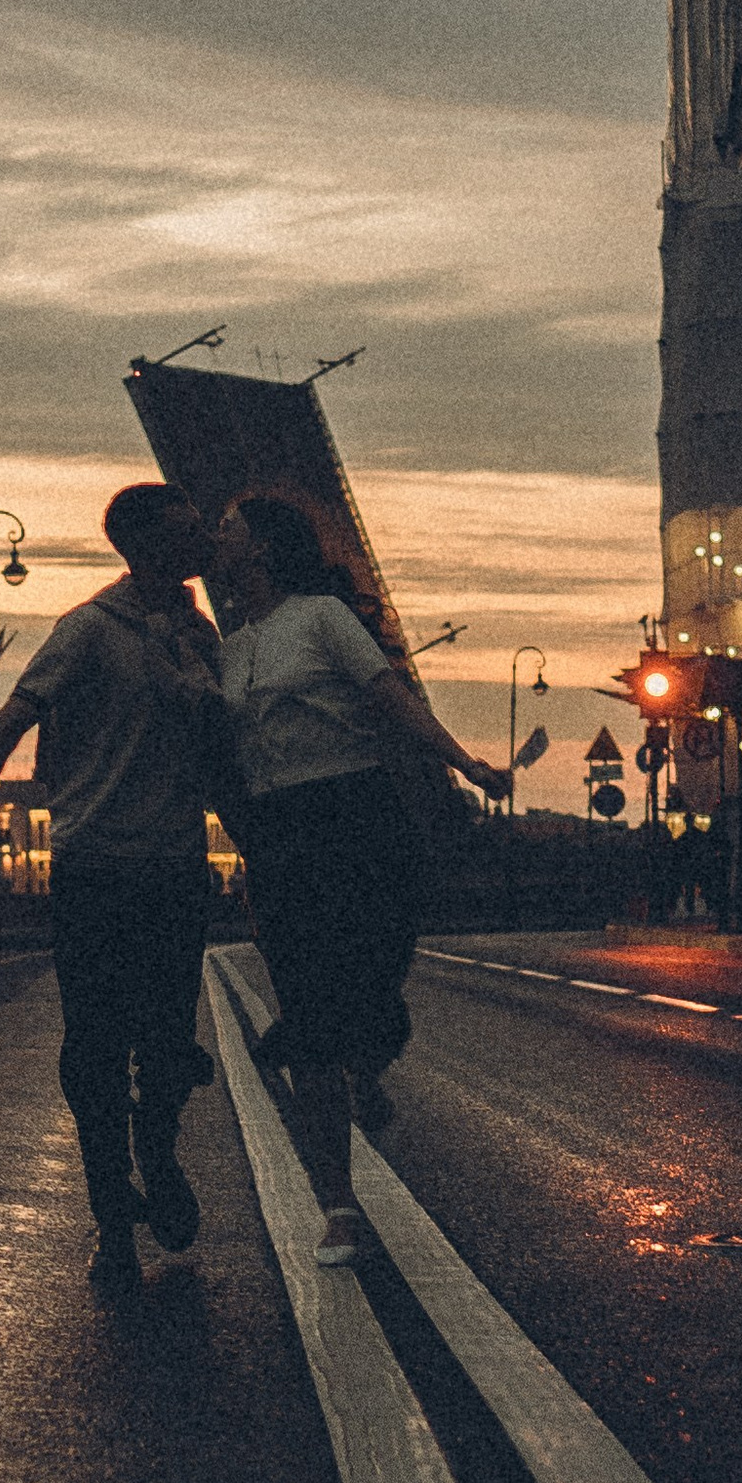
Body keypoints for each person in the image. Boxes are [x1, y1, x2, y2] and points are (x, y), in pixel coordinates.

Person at [0, 485, 225, 1297]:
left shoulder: (202, 637)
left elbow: (224, 749)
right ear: (145, 547)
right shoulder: (89, 630)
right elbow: (12, 718)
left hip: (174, 870)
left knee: (168, 1042)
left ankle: (156, 1155)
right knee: (94, 1047)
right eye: (190, 528)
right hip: (96, 866)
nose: (205, 539)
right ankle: (109, 1220)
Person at [213, 494, 509, 1268]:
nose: (218, 538)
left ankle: (365, 1057)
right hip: (280, 836)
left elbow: (390, 699)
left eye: (229, 529)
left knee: (372, 988)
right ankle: (337, 1207)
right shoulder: (228, 646)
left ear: (266, 549)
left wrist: (466, 762)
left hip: (358, 818)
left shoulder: (321, 618)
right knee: (309, 1016)